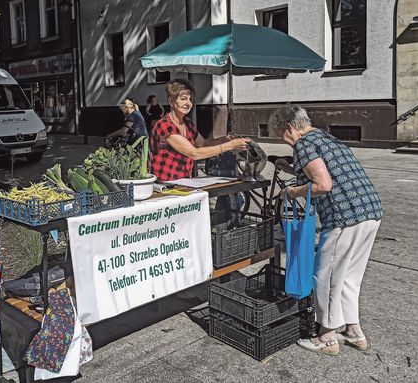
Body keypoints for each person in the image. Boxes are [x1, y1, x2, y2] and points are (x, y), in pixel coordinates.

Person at [269, 104, 383, 356]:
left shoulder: (303, 144)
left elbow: (322, 184)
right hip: (370, 211)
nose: (284, 140)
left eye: (281, 135)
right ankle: (354, 332)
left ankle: (327, 337)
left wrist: (290, 191)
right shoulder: (323, 137)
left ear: (289, 127)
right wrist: (290, 168)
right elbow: (320, 170)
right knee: (349, 277)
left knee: (326, 275)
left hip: (345, 216)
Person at [150, 79, 250, 182]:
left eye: (191, 99)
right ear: (171, 101)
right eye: (184, 99)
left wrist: (224, 140)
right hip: (165, 184)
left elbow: (202, 144)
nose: (188, 103)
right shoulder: (165, 125)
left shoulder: (187, 123)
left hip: (184, 182)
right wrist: (231, 145)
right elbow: (194, 153)